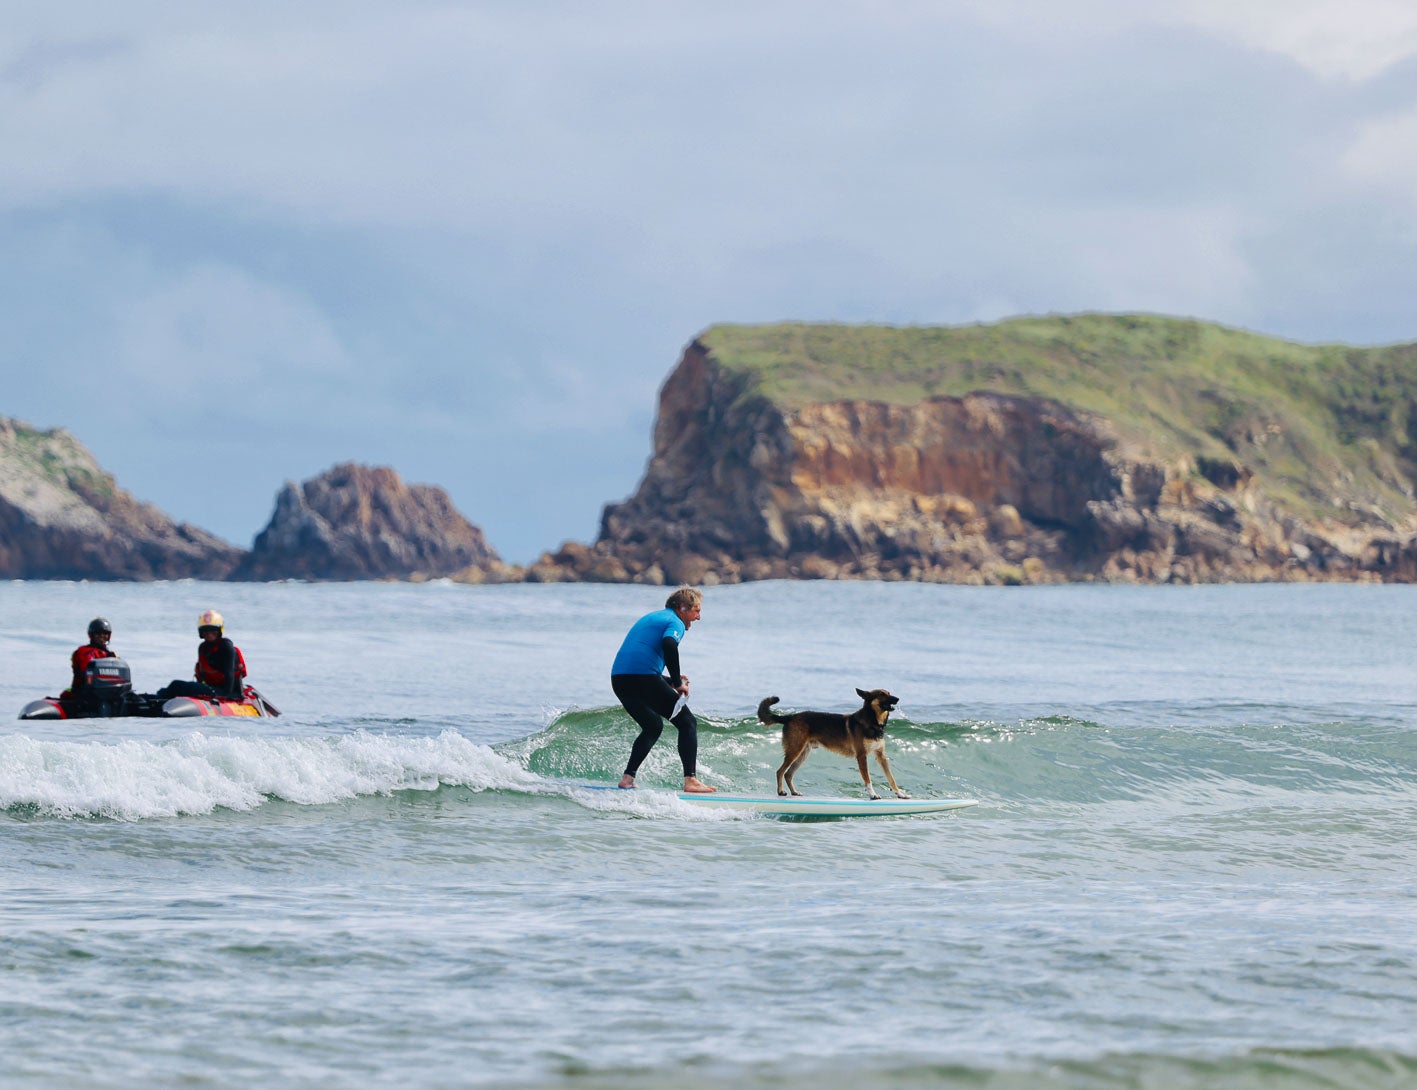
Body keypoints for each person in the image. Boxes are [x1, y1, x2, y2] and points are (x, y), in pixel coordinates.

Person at [611, 586, 716, 793]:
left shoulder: (654, 618)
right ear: (683, 608)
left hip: (620, 679)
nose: (698, 617)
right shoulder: (674, 621)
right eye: (696, 610)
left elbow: (640, 660)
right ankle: (691, 780)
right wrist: (677, 683)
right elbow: (669, 645)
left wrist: (666, 680)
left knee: (652, 726)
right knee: (687, 722)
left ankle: (627, 778)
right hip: (642, 677)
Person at [156, 609, 247, 701]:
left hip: (225, 692)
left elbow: (229, 673)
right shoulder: (203, 648)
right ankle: (154, 699)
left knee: (176, 685)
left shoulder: (226, 646)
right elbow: (202, 676)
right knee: (174, 686)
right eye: (205, 631)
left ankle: (158, 699)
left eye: (213, 630)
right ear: (201, 632)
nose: (209, 634)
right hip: (209, 688)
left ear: (219, 631)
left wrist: (226, 696)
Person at [63, 617, 116, 699]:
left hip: (109, 691)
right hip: (86, 691)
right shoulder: (84, 652)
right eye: (98, 633)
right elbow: (87, 670)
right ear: (92, 635)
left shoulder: (111, 655)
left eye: (105, 633)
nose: (102, 636)